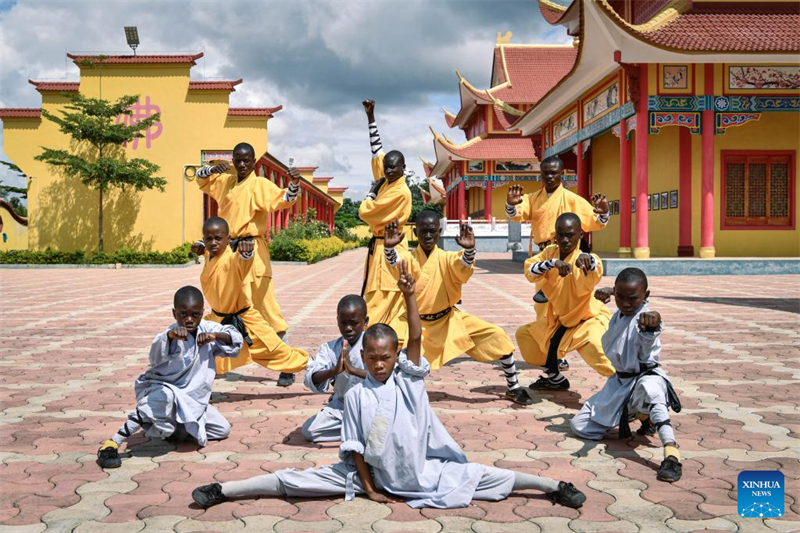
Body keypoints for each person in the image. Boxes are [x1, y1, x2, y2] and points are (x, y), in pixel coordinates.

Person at [191, 262, 586, 509]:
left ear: (395, 356)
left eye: (385, 357)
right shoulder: (358, 393)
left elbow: (415, 337)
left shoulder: (409, 380)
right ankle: (223, 489)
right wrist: (370, 489)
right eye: (373, 359)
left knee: (493, 477)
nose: (378, 364)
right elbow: (357, 449)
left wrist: (410, 295)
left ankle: (555, 485)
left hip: (425, 473)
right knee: (294, 480)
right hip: (374, 476)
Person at [383, 210, 533, 405]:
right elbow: (396, 264)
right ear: (415, 233)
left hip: (448, 320)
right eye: (423, 231)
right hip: (414, 325)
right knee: (384, 344)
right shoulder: (410, 258)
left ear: (439, 232)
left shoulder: (447, 258)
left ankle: (513, 387)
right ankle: (384, 390)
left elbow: (462, 266)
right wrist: (388, 248)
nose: (428, 236)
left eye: (432, 231)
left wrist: (470, 251)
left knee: (496, 336)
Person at [96, 286, 243, 469]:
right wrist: (171, 337)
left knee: (222, 429)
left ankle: (175, 428)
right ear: (174, 313)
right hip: (163, 389)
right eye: (183, 314)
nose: (189, 320)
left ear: (201, 313)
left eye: (195, 315)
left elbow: (235, 337)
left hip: (192, 399)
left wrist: (215, 336)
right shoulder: (167, 334)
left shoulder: (207, 328)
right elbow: (155, 356)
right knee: (162, 397)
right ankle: (112, 444)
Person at [192, 142, 300, 386]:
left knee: (266, 310)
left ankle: (287, 365)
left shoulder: (260, 185)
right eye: (237, 160)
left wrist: (294, 183)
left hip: (252, 252)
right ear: (233, 160)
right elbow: (199, 180)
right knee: (224, 306)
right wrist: (211, 170)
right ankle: (217, 362)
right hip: (227, 253)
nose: (241, 164)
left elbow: (285, 199)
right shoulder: (226, 182)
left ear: (253, 162)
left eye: (246, 160)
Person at [570, 268, 683, 482]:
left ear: (646, 296)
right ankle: (641, 415)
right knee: (580, 426)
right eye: (620, 297)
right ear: (614, 293)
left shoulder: (644, 318)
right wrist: (603, 297)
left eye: (633, 298)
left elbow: (649, 335)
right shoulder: (618, 316)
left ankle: (671, 453)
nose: (626, 303)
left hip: (645, 377)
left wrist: (654, 324)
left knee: (652, 390)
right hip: (620, 383)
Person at [515, 213, 616, 391]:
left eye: (570, 235)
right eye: (560, 234)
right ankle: (555, 378)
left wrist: (588, 260)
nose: (565, 240)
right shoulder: (549, 253)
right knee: (525, 336)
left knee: (600, 353)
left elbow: (596, 267)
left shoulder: (583, 260)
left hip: (586, 320)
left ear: (580, 235)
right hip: (559, 321)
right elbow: (530, 271)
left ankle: (630, 390)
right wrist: (553, 263)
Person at [200, 217, 308, 381]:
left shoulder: (232, 258)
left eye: (218, 238)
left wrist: (247, 253)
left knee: (280, 354)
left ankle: (320, 367)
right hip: (219, 321)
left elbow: (242, 262)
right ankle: (198, 391)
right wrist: (202, 248)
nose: (213, 242)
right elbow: (208, 251)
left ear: (228, 239)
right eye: (208, 239)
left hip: (246, 324)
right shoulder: (211, 256)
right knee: (203, 351)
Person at [505, 155, 610, 308]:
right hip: (545, 255)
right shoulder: (532, 198)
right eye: (545, 173)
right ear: (540, 174)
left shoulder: (573, 199)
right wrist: (510, 204)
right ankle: (546, 329)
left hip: (569, 254)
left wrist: (603, 214)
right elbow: (517, 213)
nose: (549, 176)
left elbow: (594, 222)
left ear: (562, 174)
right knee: (543, 306)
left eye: (554, 172)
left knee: (570, 300)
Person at [357, 99, 413, 349]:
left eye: (394, 167)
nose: (388, 170)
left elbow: (366, 212)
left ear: (404, 168)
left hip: (390, 247)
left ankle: (375, 351)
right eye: (387, 168)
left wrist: (370, 193)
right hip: (379, 248)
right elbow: (376, 151)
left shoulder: (400, 192)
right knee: (376, 299)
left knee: (382, 301)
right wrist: (371, 118)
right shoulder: (388, 182)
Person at [301, 294, 369, 443]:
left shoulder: (374, 344)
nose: (348, 328)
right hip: (342, 407)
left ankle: (360, 429)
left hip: (371, 405)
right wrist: (333, 371)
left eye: (354, 323)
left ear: (365, 322)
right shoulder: (330, 348)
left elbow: (388, 376)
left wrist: (353, 370)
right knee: (310, 430)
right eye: (343, 323)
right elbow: (310, 377)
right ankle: (359, 430)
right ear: (337, 321)